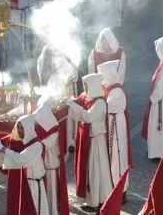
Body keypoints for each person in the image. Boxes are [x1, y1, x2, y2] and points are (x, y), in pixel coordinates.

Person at [67, 73, 112, 210]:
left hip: (96, 141)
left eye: (87, 85)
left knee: (95, 171)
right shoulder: (90, 97)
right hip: (89, 140)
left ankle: (97, 201)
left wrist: (72, 106)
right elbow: (80, 99)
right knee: (91, 172)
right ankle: (93, 200)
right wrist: (70, 101)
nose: (85, 89)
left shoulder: (100, 102)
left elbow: (88, 117)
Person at [98, 60, 131, 193]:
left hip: (116, 127)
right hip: (114, 124)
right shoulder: (111, 89)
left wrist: (98, 104)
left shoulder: (116, 90)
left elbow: (110, 106)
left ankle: (120, 189)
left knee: (117, 157)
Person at [32, 98, 69, 215]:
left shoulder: (54, 132)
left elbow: (43, 146)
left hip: (51, 169)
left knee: (51, 195)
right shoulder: (46, 130)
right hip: (45, 169)